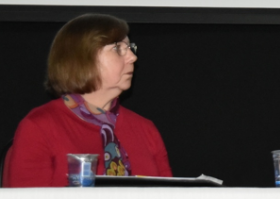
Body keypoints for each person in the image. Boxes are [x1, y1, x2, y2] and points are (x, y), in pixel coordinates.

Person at [7, 14, 172, 187]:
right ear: (82, 58)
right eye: (118, 49)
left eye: (130, 47)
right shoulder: (40, 127)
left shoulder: (145, 130)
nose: (132, 57)